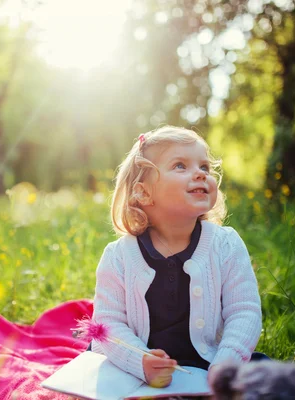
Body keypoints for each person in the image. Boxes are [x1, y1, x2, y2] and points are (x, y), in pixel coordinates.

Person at [90, 125, 262, 388]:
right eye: (181, 166)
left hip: (214, 365)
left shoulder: (226, 244)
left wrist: (226, 364)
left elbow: (244, 311)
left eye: (204, 167)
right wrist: (140, 360)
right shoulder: (119, 257)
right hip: (138, 376)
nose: (200, 175)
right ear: (143, 192)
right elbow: (107, 323)